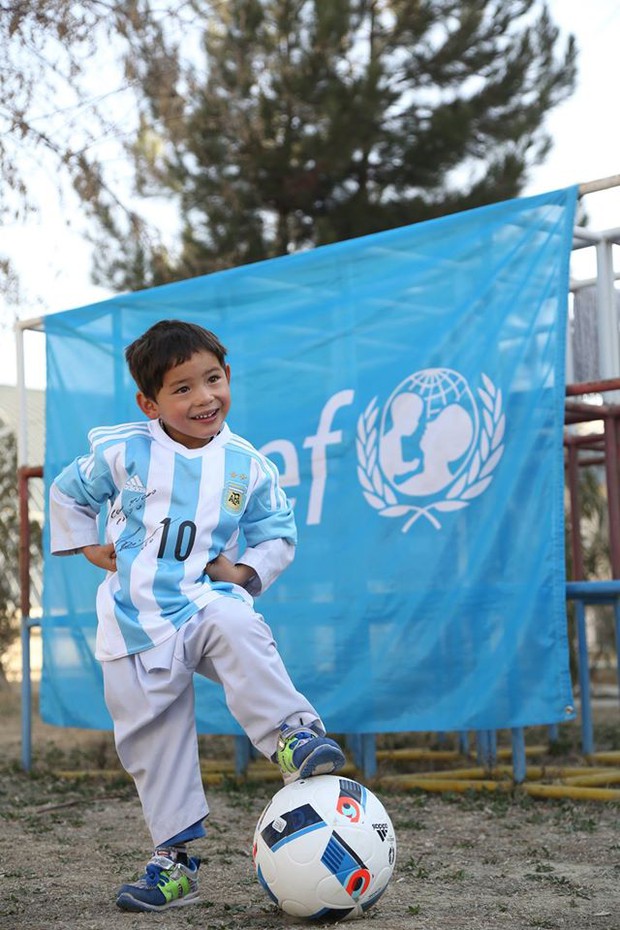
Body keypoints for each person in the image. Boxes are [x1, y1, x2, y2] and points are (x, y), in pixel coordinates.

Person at [49, 319, 346, 913]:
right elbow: (66, 493)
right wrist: (87, 546)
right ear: (150, 402)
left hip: (201, 603)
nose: (203, 398)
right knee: (151, 744)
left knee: (237, 625)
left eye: (212, 380)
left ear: (228, 377)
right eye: (181, 389)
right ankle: (175, 863)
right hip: (133, 622)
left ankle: (292, 735)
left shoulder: (247, 465)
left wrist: (244, 573)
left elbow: (277, 532)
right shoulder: (122, 452)